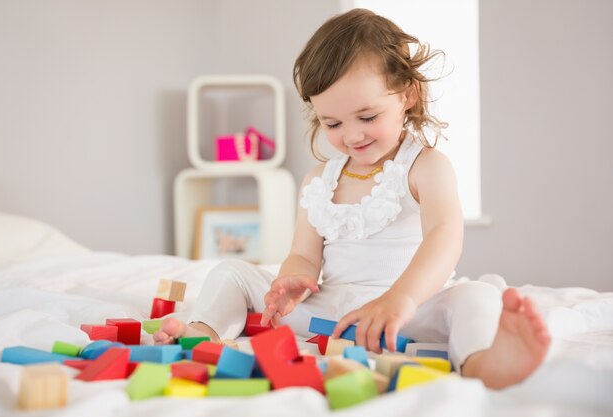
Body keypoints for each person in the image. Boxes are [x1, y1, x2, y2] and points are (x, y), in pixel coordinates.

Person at [155, 8, 550, 389]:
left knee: (475, 296)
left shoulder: (426, 166)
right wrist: (292, 279)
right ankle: (201, 333)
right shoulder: (319, 180)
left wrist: (400, 299)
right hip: (334, 314)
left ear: (407, 95)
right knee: (232, 272)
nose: (352, 135)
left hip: (409, 310)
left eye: (367, 117)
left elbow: (445, 237)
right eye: (333, 123)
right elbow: (305, 255)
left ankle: (484, 362)